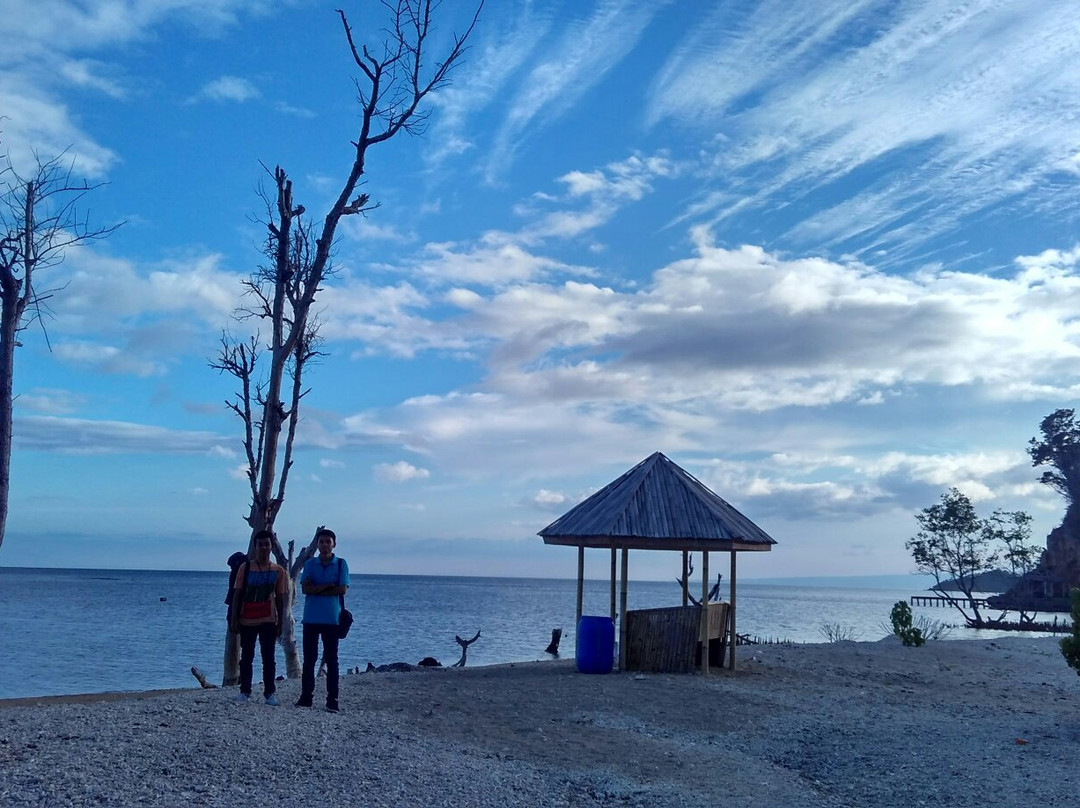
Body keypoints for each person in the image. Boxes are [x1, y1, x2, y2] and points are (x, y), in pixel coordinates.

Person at [230, 530, 287, 706]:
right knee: (246, 657)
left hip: (268, 620)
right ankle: (245, 691)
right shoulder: (245, 568)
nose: (263, 547)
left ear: (271, 546)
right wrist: (234, 618)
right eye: (260, 544)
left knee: (268, 658)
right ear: (255, 547)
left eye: (266, 544)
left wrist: (281, 622)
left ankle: (269, 693)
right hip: (247, 620)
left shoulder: (278, 570)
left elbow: (281, 598)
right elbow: (237, 594)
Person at [295, 528, 349, 713]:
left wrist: (317, 588)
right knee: (309, 660)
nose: (324, 545)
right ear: (317, 545)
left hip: (332, 619)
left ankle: (332, 700)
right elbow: (306, 589)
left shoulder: (341, 564)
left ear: (334, 544)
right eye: (321, 542)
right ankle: (306, 697)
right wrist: (328, 586)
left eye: (328, 541)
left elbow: (342, 589)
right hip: (311, 618)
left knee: (332, 661)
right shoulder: (310, 564)